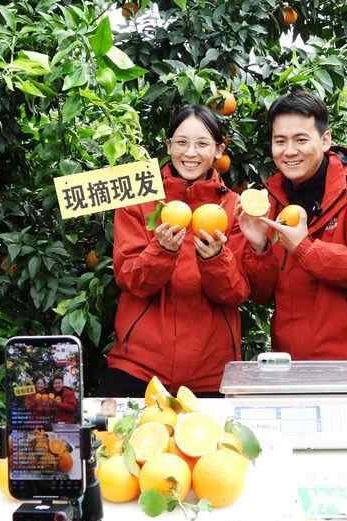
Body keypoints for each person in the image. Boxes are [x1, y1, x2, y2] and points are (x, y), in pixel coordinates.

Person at [237, 91, 347, 372]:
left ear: (325, 140)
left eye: (301, 140)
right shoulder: (272, 200)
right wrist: (259, 248)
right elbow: (263, 294)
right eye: (280, 141)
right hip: (292, 368)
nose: (289, 151)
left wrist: (305, 248)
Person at [96, 104, 249, 397]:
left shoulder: (233, 207)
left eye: (202, 144)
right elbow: (130, 279)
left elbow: (236, 293)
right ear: (168, 146)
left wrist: (215, 259)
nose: (190, 153)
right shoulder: (138, 198)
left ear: (219, 150)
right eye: (181, 142)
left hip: (211, 372)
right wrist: (161, 252)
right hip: (138, 367)